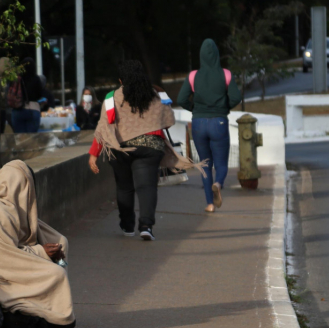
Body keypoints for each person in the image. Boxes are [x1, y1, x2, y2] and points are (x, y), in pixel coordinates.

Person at [88, 60, 202, 241]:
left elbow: (103, 127)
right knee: (147, 186)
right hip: (150, 147)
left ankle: (127, 226)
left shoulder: (111, 98)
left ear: (120, 80)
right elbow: (169, 120)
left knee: (124, 187)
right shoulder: (157, 94)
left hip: (120, 148)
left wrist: (94, 154)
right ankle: (146, 226)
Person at [0, 160, 75, 328]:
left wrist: (56, 249)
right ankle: (47, 314)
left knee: (61, 244)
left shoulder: (13, 209)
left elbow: (34, 235)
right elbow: (4, 257)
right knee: (56, 274)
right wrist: (42, 253)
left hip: (11, 267)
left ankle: (48, 311)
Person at [177, 39, 242, 212]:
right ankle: (218, 183)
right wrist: (223, 108)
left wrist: (194, 109)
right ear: (217, 55)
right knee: (221, 164)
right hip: (219, 122)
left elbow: (181, 99)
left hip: (198, 123)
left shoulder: (193, 76)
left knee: (205, 164)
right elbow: (236, 97)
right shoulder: (226, 74)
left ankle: (210, 204)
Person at [11, 57, 43, 133]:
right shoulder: (36, 79)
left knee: (20, 139)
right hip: (33, 109)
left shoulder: (16, 79)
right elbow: (40, 94)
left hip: (17, 109)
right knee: (31, 139)